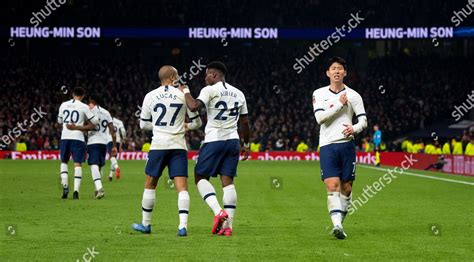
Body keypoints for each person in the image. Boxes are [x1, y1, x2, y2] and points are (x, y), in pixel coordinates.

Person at [181, 61, 251, 236]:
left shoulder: (210, 90)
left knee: (199, 176)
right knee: (228, 182)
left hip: (214, 140)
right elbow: (245, 122)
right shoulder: (239, 93)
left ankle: (218, 212)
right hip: (233, 141)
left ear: (213, 75)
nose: (205, 78)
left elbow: (193, 106)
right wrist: (246, 144)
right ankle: (228, 227)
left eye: (206, 75)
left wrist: (186, 91)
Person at [132, 65, 202, 237]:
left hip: (158, 145)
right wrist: (184, 126)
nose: (179, 78)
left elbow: (143, 124)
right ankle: (182, 227)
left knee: (150, 184)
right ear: (171, 78)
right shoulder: (182, 95)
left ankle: (146, 224)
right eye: (177, 75)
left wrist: (158, 126)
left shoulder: (150, 96)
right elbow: (197, 123)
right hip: (178, 146)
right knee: (182, 187)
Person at [312, 57, 367, 239]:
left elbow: (363, 121)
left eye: (340, 68)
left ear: (345, 73)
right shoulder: (319, 94)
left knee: (347, 188)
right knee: (332, 185)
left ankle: (339, 224)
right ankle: (336, 225)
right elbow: (320, 119)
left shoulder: (354, 95)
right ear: (328, 73)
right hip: (328, 146)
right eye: (333, 68)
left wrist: (355, 128)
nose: (336, 71)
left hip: (347, 146)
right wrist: (339, 105)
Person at [67, 94, 117, 199]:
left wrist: (75, 127)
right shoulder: (106, 112)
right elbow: (112, 130)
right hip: (103, 142)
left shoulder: (90, 110)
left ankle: (99, 189)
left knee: (93, 165)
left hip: (93, 142)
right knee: (99, 166)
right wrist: (114, 145)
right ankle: (96, 190)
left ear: (91, 101)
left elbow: (89, 126)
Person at [57, 87, 98, 199]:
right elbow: (95, 122)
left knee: (64, 162)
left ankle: (65, 186)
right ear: (83, 96)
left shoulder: (63, 104)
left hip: (65, 137)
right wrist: (83, 121)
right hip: (78, 138)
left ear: (72, 94)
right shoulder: (84, 106)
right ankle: (76, 191)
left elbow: (60, 121)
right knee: (77, 164)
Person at [107, 108, 126, 181]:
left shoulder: (107, 121)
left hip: (109, 140)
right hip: (117, 141)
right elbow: (123, 131)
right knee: (114, 157)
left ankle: (117, 167)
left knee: (112, 157)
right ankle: (110, 175)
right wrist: (124, 139)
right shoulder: (119, 122)